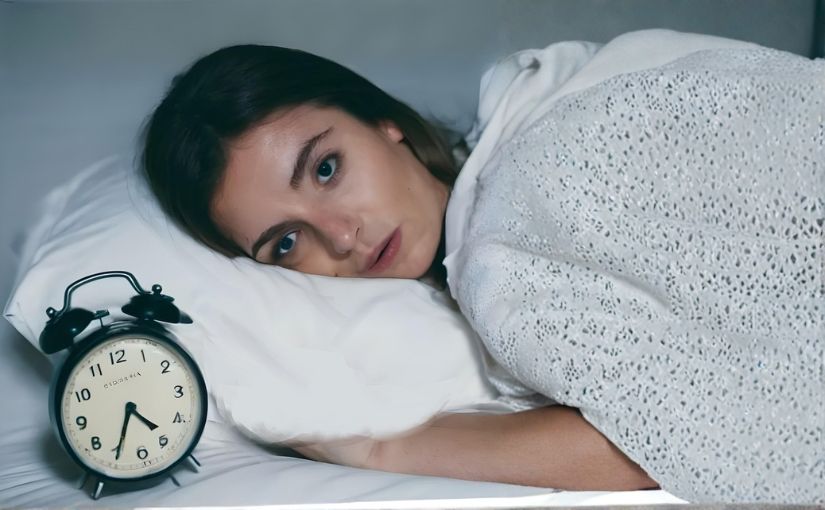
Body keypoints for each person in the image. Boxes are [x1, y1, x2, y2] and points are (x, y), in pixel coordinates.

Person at [142, 35, 824, 502]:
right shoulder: (530, 121)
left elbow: (665, 440)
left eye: (326, 168)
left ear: (382, 122)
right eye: (286, 244)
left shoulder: (503, 238)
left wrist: (382, 450)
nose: (341, 235)